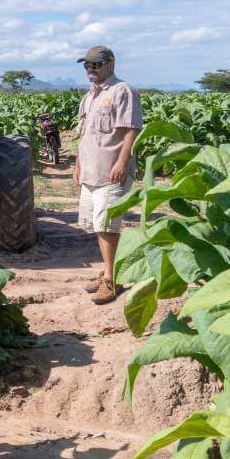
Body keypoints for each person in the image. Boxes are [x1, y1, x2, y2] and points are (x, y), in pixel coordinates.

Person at [74, 45, 143, 305]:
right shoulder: (89, 96)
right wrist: (78, 164)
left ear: (110, 64)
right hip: (91, 171)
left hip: (112, 171)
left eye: (96, 64)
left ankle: (112, 281)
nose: (91, 69)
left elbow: (131, 130)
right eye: (87, 65)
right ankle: (107, 272)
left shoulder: (122, 91)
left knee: (107, 226)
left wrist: (122, 162)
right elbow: (84, 136)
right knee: (97, 224)